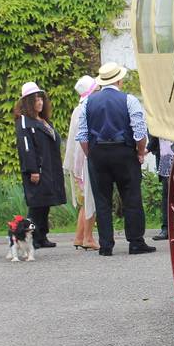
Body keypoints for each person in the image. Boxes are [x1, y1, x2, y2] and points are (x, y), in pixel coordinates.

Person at [77, 62, 156, 256]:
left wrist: (91, 155)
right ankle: (135, 241)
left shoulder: (88, 102)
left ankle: (106, 245)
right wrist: (139, 152)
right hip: (124, 153)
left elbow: (83, 135)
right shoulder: (129, 100)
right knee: (131, 197)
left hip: (98, 153)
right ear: (119, 80)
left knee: (102, 200)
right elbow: (139, 132)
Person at [13, 82, 66, 249]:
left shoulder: (42, 120)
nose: (40, 102)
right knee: (36, 205)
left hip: (49, 168)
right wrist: (33, 170)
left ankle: (42, 236)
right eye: (35, 99)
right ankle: (31, 237)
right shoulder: (24, 121)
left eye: (41, 99)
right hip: (37, 170)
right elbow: (26, 147)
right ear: (28, 102)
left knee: (45, 203)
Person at [63, 75, 99, 250]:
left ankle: (79, 237)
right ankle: (88, 237)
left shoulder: (78, 109)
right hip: (85, 160)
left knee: (86, 201)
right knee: (91, 198)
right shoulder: (86, 108)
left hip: (78, 163)